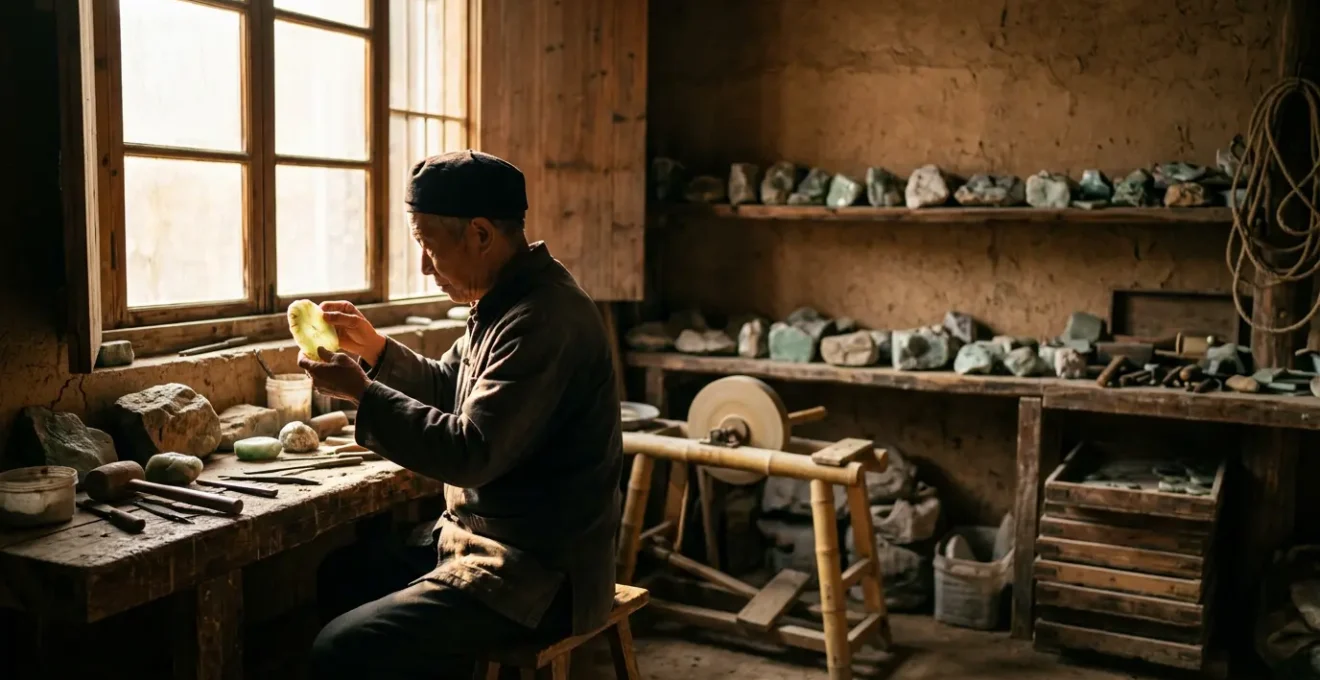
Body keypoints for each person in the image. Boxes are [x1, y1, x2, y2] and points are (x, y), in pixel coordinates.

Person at [299, 149, 624, 679]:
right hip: (482, 539)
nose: (425, 267)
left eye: (429, 248)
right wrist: (375, 350)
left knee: (341, 650)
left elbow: (471, 452)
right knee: (345, 573)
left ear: (479, 234)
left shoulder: (543, 318)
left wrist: (364, 395)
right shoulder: (499, 301)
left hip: (540, 571)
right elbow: (453, 385)